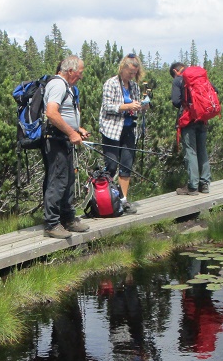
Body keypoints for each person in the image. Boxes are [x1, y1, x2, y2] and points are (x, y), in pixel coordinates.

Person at [42, 55, 91, 239]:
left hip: (64, 139)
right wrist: (71, 133)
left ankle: (68, 219)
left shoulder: (67, 87)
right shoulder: (57, 85)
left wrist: (77, 129)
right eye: (80, 73)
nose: (81, 76)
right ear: (70, 71)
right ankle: (52, 224)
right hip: (55, 140)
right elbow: (51, 113)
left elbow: (63, 114)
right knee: (58, 180)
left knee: (69, 179)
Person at [98, 54, 148, 213]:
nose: (132, 76)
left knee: (126, 164)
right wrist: (127, 106)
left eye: (134, 73)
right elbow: (107, 106)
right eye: (130, 72)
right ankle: (108, 199)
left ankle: (123, 199)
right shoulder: (111, 83)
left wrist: (141, 107)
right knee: (111, 165)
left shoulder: (134, 87)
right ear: (123, 68)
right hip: (112, 129)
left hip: (129, 128)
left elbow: (134, 107)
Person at [170, 62, 211, 195]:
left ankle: (192, 186)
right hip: (202, 117)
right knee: (202, 150)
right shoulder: (200, 77)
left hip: (188, 120)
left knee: (191, 152)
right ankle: (204, 184)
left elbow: (176, 101)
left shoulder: (178, 80)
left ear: (176, 71)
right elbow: (214, 90)